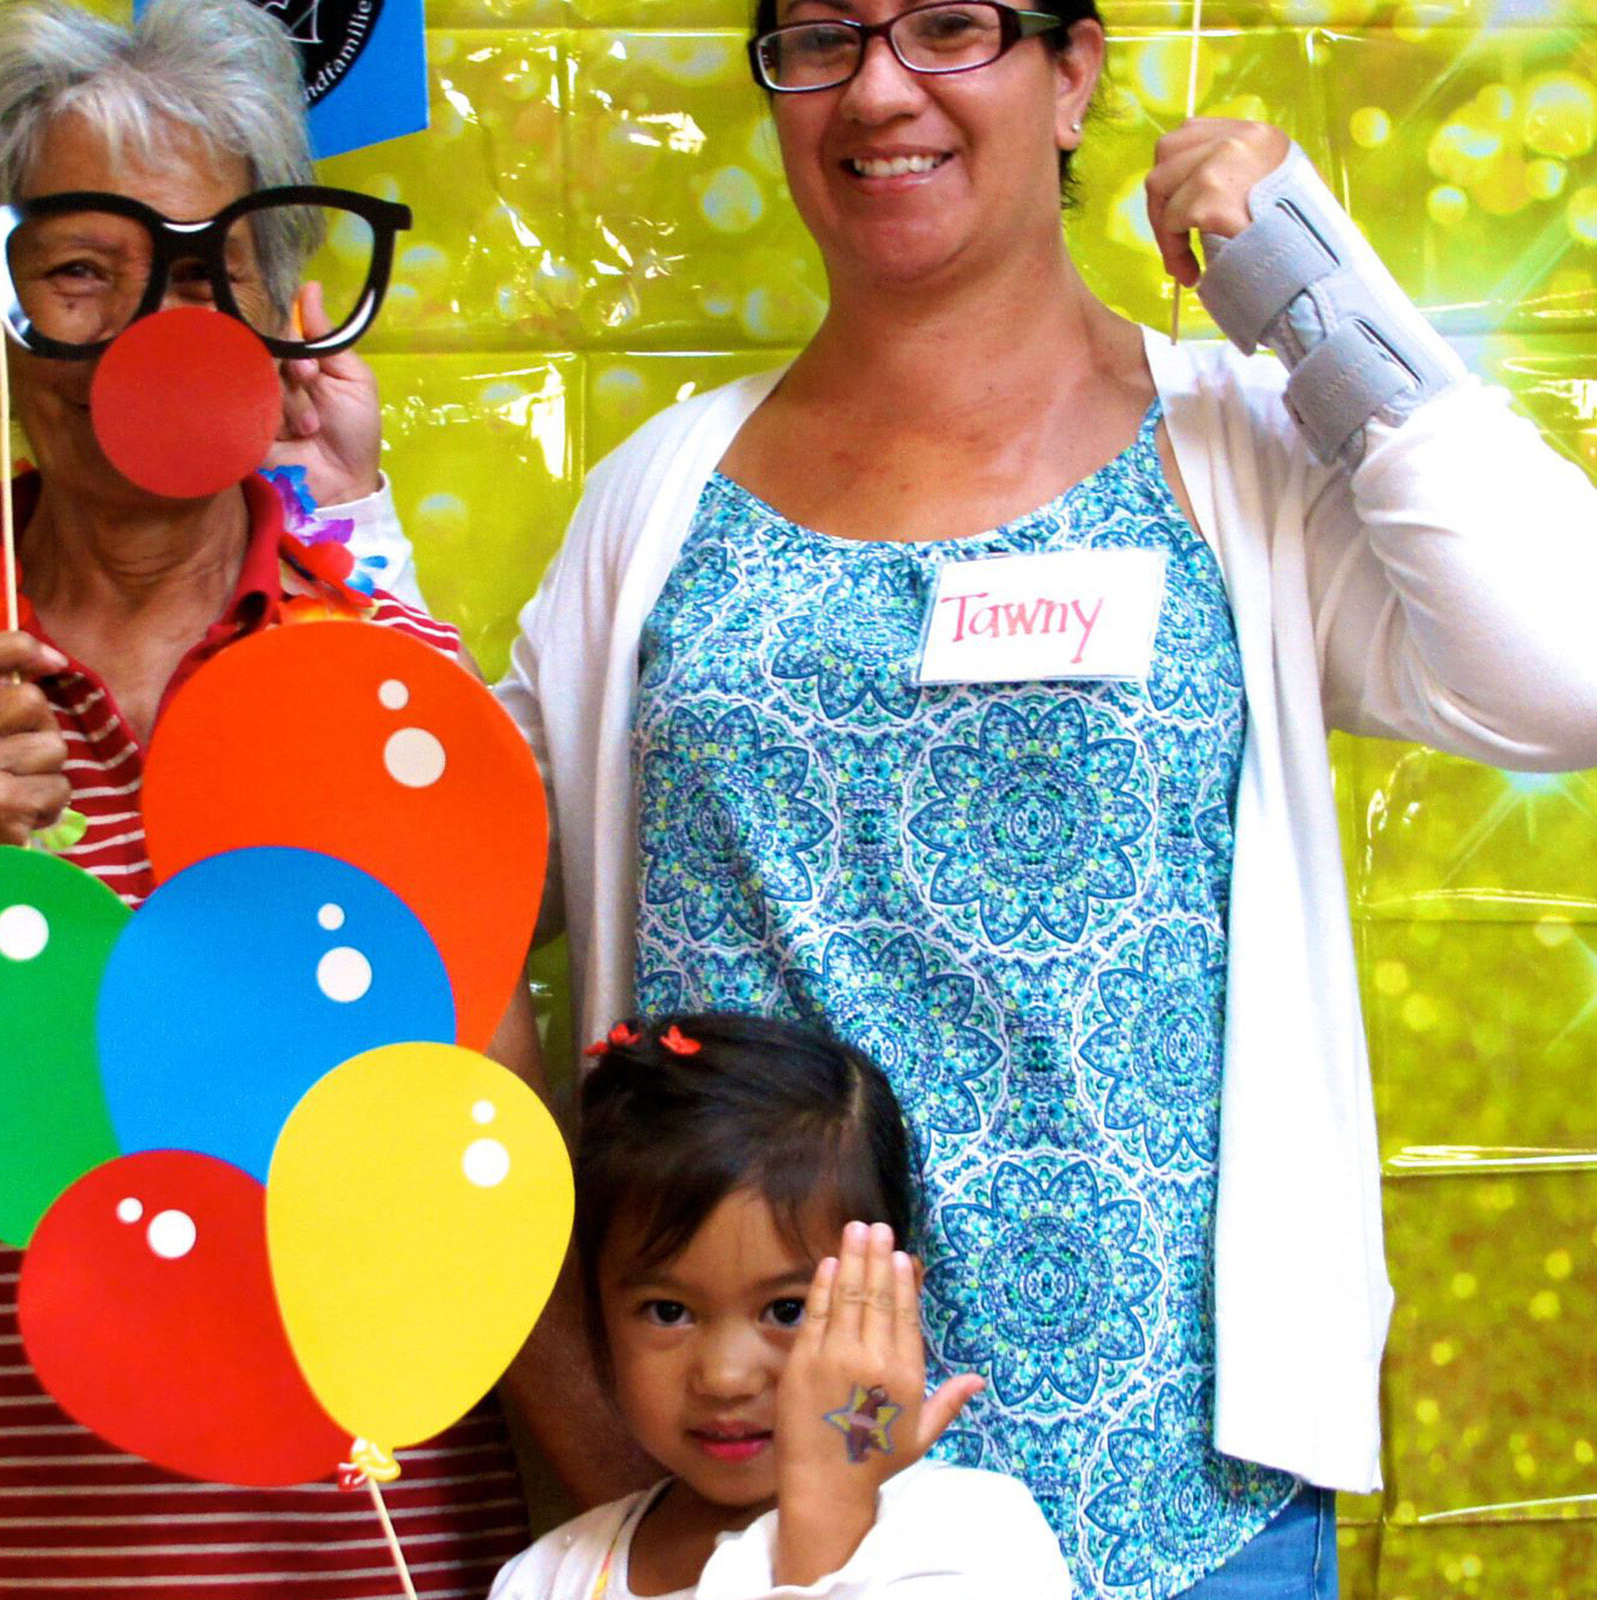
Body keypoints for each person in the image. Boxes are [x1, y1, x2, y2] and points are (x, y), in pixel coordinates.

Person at [494, 1, 1597, 1595]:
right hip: (758, 1531)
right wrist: (339, 526)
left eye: (947, 27)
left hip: (1173, 1516)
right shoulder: (657, 503)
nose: (879, 90)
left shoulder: (1235, 449)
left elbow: (1569, 673)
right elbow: (450, 881)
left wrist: (1315, 286)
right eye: (822, 38)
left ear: (1072, 73)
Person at [0, 0, 535, 1592]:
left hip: (335, 1561)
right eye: (84, 270)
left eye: (212, 273)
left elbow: (494, 1201)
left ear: (282, 308)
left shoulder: (399, 697)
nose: (155, 338)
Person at [492, 1013, 1069, 1598]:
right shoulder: (545, 1578)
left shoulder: (978, 1536)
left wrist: (828, 1503)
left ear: (893, 1303)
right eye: (668, 1311)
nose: (726, 1378)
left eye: (788, 1310)